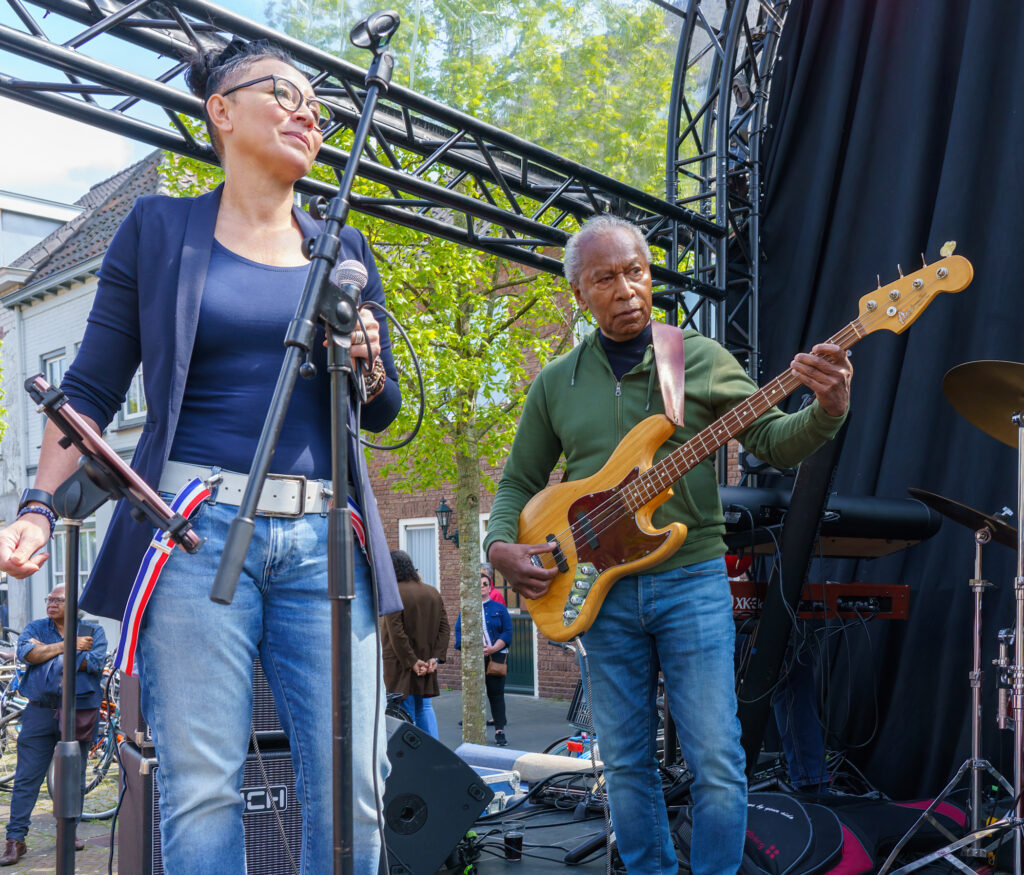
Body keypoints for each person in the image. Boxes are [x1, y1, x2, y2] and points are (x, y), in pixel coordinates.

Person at [0, 38, 402, 875]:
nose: (307, 114)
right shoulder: (158, 228)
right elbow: (89, 388)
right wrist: (38, 505)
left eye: (318, 109)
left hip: (327, 537)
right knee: (204, 788)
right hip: (193, 528)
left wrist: (364, 362)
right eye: (283, 95)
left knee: (356, 781)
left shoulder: (345, 248)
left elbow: (384, 406)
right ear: (220, 109)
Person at [484, 215, 851, 875]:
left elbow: (773, 440)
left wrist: (827, 408)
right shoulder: (555, 382)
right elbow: (516, 482)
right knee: (626, 761)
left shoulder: (698, 359)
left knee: (716, 757)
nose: (627, 288)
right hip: (600, 594)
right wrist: (499, 544)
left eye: (637, 271)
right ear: (579, 294)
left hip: (691, 581)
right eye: (606, 278)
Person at [0, 585, 107, 865]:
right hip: (38, 713)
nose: (50, 603)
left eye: (58, 600)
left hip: (77, 712)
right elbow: (27, 655)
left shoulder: (94, 632)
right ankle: (15, 840)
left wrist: (45, 653)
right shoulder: (36, 627)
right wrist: (68, 647)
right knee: (26, 778)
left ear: (74, 605)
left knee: (74, 777)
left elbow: (93, 663)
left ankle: (68, 834)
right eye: (49, 599)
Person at [382, 550, 450, 738]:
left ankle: (413, 757)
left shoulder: (393, 593)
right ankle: (435, 754)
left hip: (399, 664)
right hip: (427, 663)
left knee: (404, 711)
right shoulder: (432, 592)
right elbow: (444, 628)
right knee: (425, 708)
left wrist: (412, 661)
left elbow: (396, 633)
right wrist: (435, 657)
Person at [454, 564, 514, 746]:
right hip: (475, 658)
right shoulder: (467, 609)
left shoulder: (499, 608)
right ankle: (473, 731)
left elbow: (508, 631)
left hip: (496, 658)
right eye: (478, 584)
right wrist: (470, 650)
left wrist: (494, 648)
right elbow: (458, 632)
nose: (481, 587)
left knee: (496, 695)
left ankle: (499, 731)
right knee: (473, 694)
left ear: (490, 586)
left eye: (485, 584)